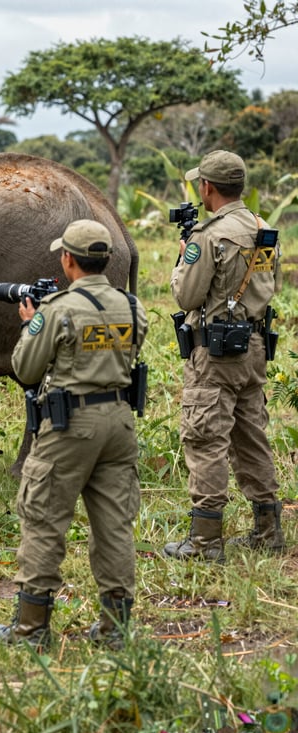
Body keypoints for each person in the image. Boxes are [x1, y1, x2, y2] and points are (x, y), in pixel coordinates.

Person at [0, 219, 148, 649]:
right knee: (115, 526)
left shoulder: (56, 310)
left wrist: (30, 324)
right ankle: (116, 631)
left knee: (43, 521)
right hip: (119, 422)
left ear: (68, 260)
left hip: (69, 425)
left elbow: (25, 369)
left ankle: (31, 629)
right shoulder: (133, 307)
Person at [164, 150, 284, 564]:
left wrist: (183, 257)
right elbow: (273, 286)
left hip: (216, 352)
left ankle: (204, 540)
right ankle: (268, 529)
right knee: (251, 435)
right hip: (254, 346)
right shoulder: (263, 228)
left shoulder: (208, 235)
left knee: (205, 439)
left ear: (207, 187)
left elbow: (187, 295)